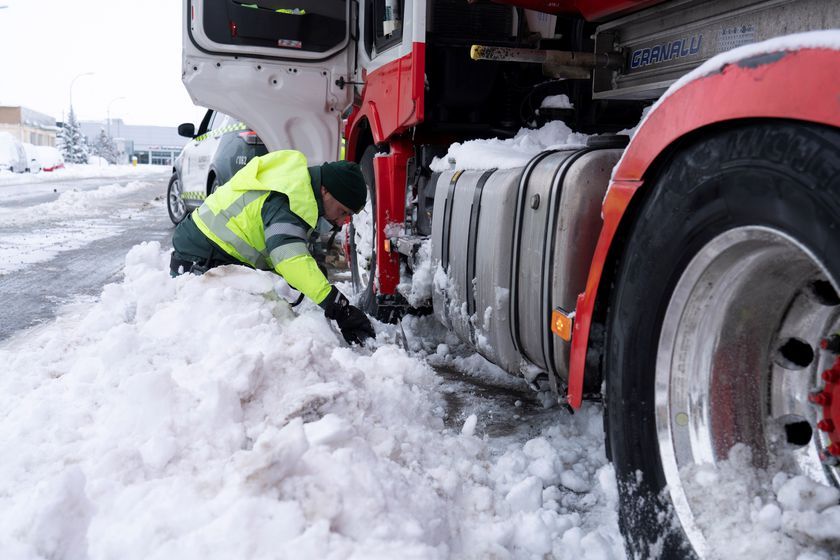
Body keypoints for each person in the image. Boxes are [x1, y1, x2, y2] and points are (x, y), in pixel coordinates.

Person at [170, 149, 375, 345]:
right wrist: (339, 307)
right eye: (342, 211)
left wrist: (310, 275)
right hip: (201, 259)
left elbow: (276, 245)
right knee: (258, 329)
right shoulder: (290, 200)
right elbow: (288, 258)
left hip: (207, 250)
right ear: (325, 190)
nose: (341, 222)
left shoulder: (296, 186)